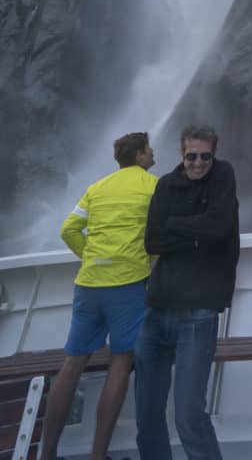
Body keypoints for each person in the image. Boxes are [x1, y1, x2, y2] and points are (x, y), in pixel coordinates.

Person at [40, 132, 157, 460]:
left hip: (89, 283)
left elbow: (68, 229)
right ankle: (97, 455)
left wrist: (91, 254)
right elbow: (163, 231)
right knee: (121, 362)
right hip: (127, 283)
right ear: (138, 156)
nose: (153, 153)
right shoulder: (152, 186)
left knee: (72, 364)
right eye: (149, 149)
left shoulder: (97, 187)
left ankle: (46, 454)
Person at [134, 124, 240, 460]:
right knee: (147, 415)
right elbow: (153, 240)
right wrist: (198, 233)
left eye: (205, 156)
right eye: (191, 156)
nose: (198, 163)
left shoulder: (223, 175)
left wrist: (176, 226)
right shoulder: (166, 184)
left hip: (198, 312)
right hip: (156, 310)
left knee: (189, 416)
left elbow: (220, 227)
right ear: (182, 154)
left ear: (214, 154)